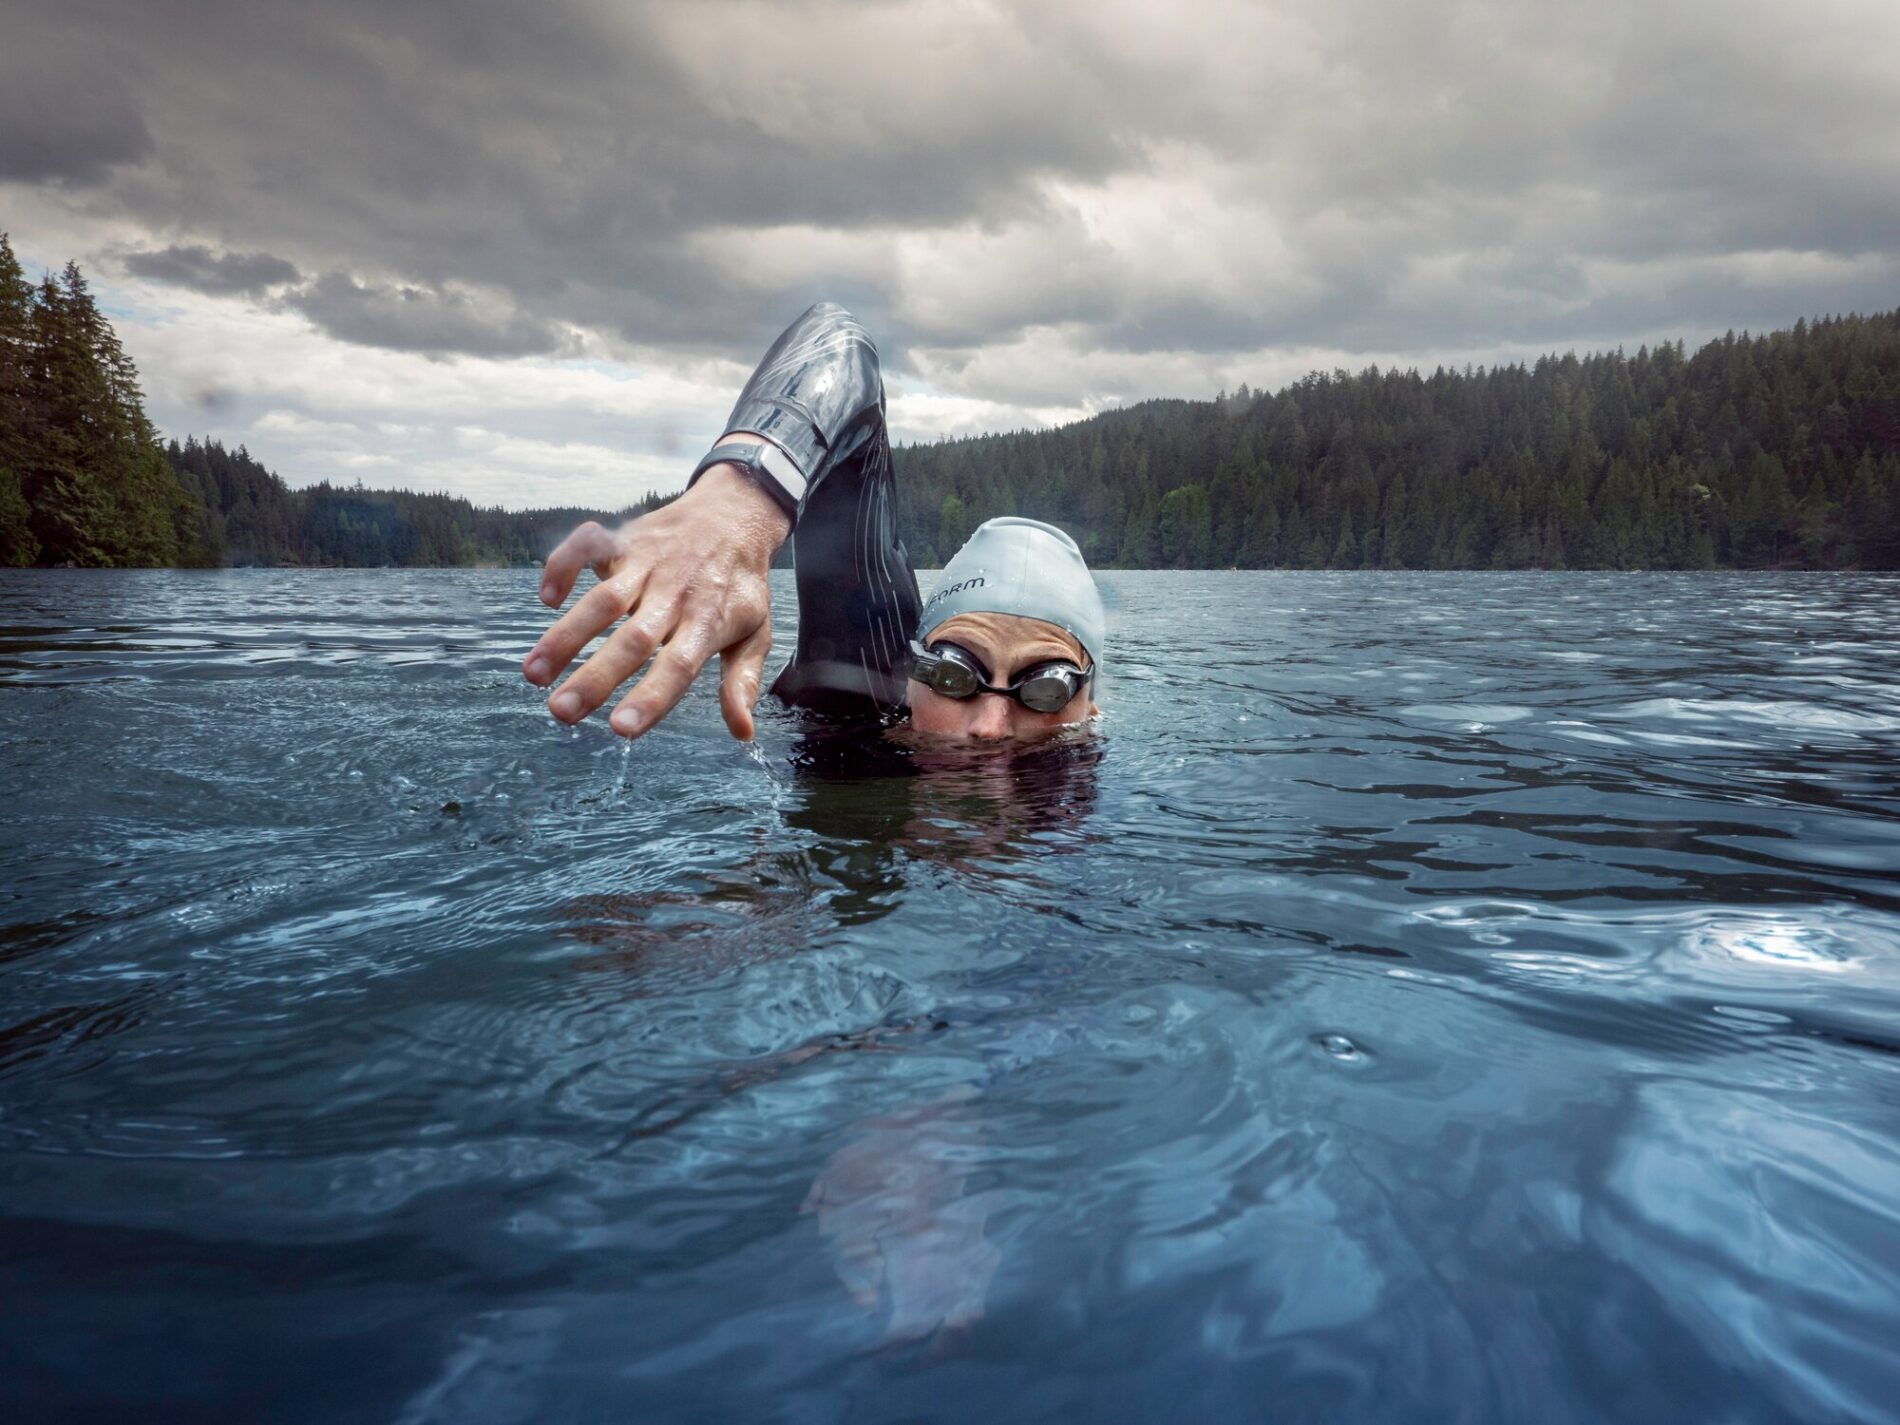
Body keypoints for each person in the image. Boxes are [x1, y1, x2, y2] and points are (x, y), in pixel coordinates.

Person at [521, 302, 1106, 742]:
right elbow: (839, 338)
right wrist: (744, 498)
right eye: (954, 673)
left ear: (1090, 711)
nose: (990, 726)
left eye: (1045, 689)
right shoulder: (862, 692)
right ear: (911, 675)